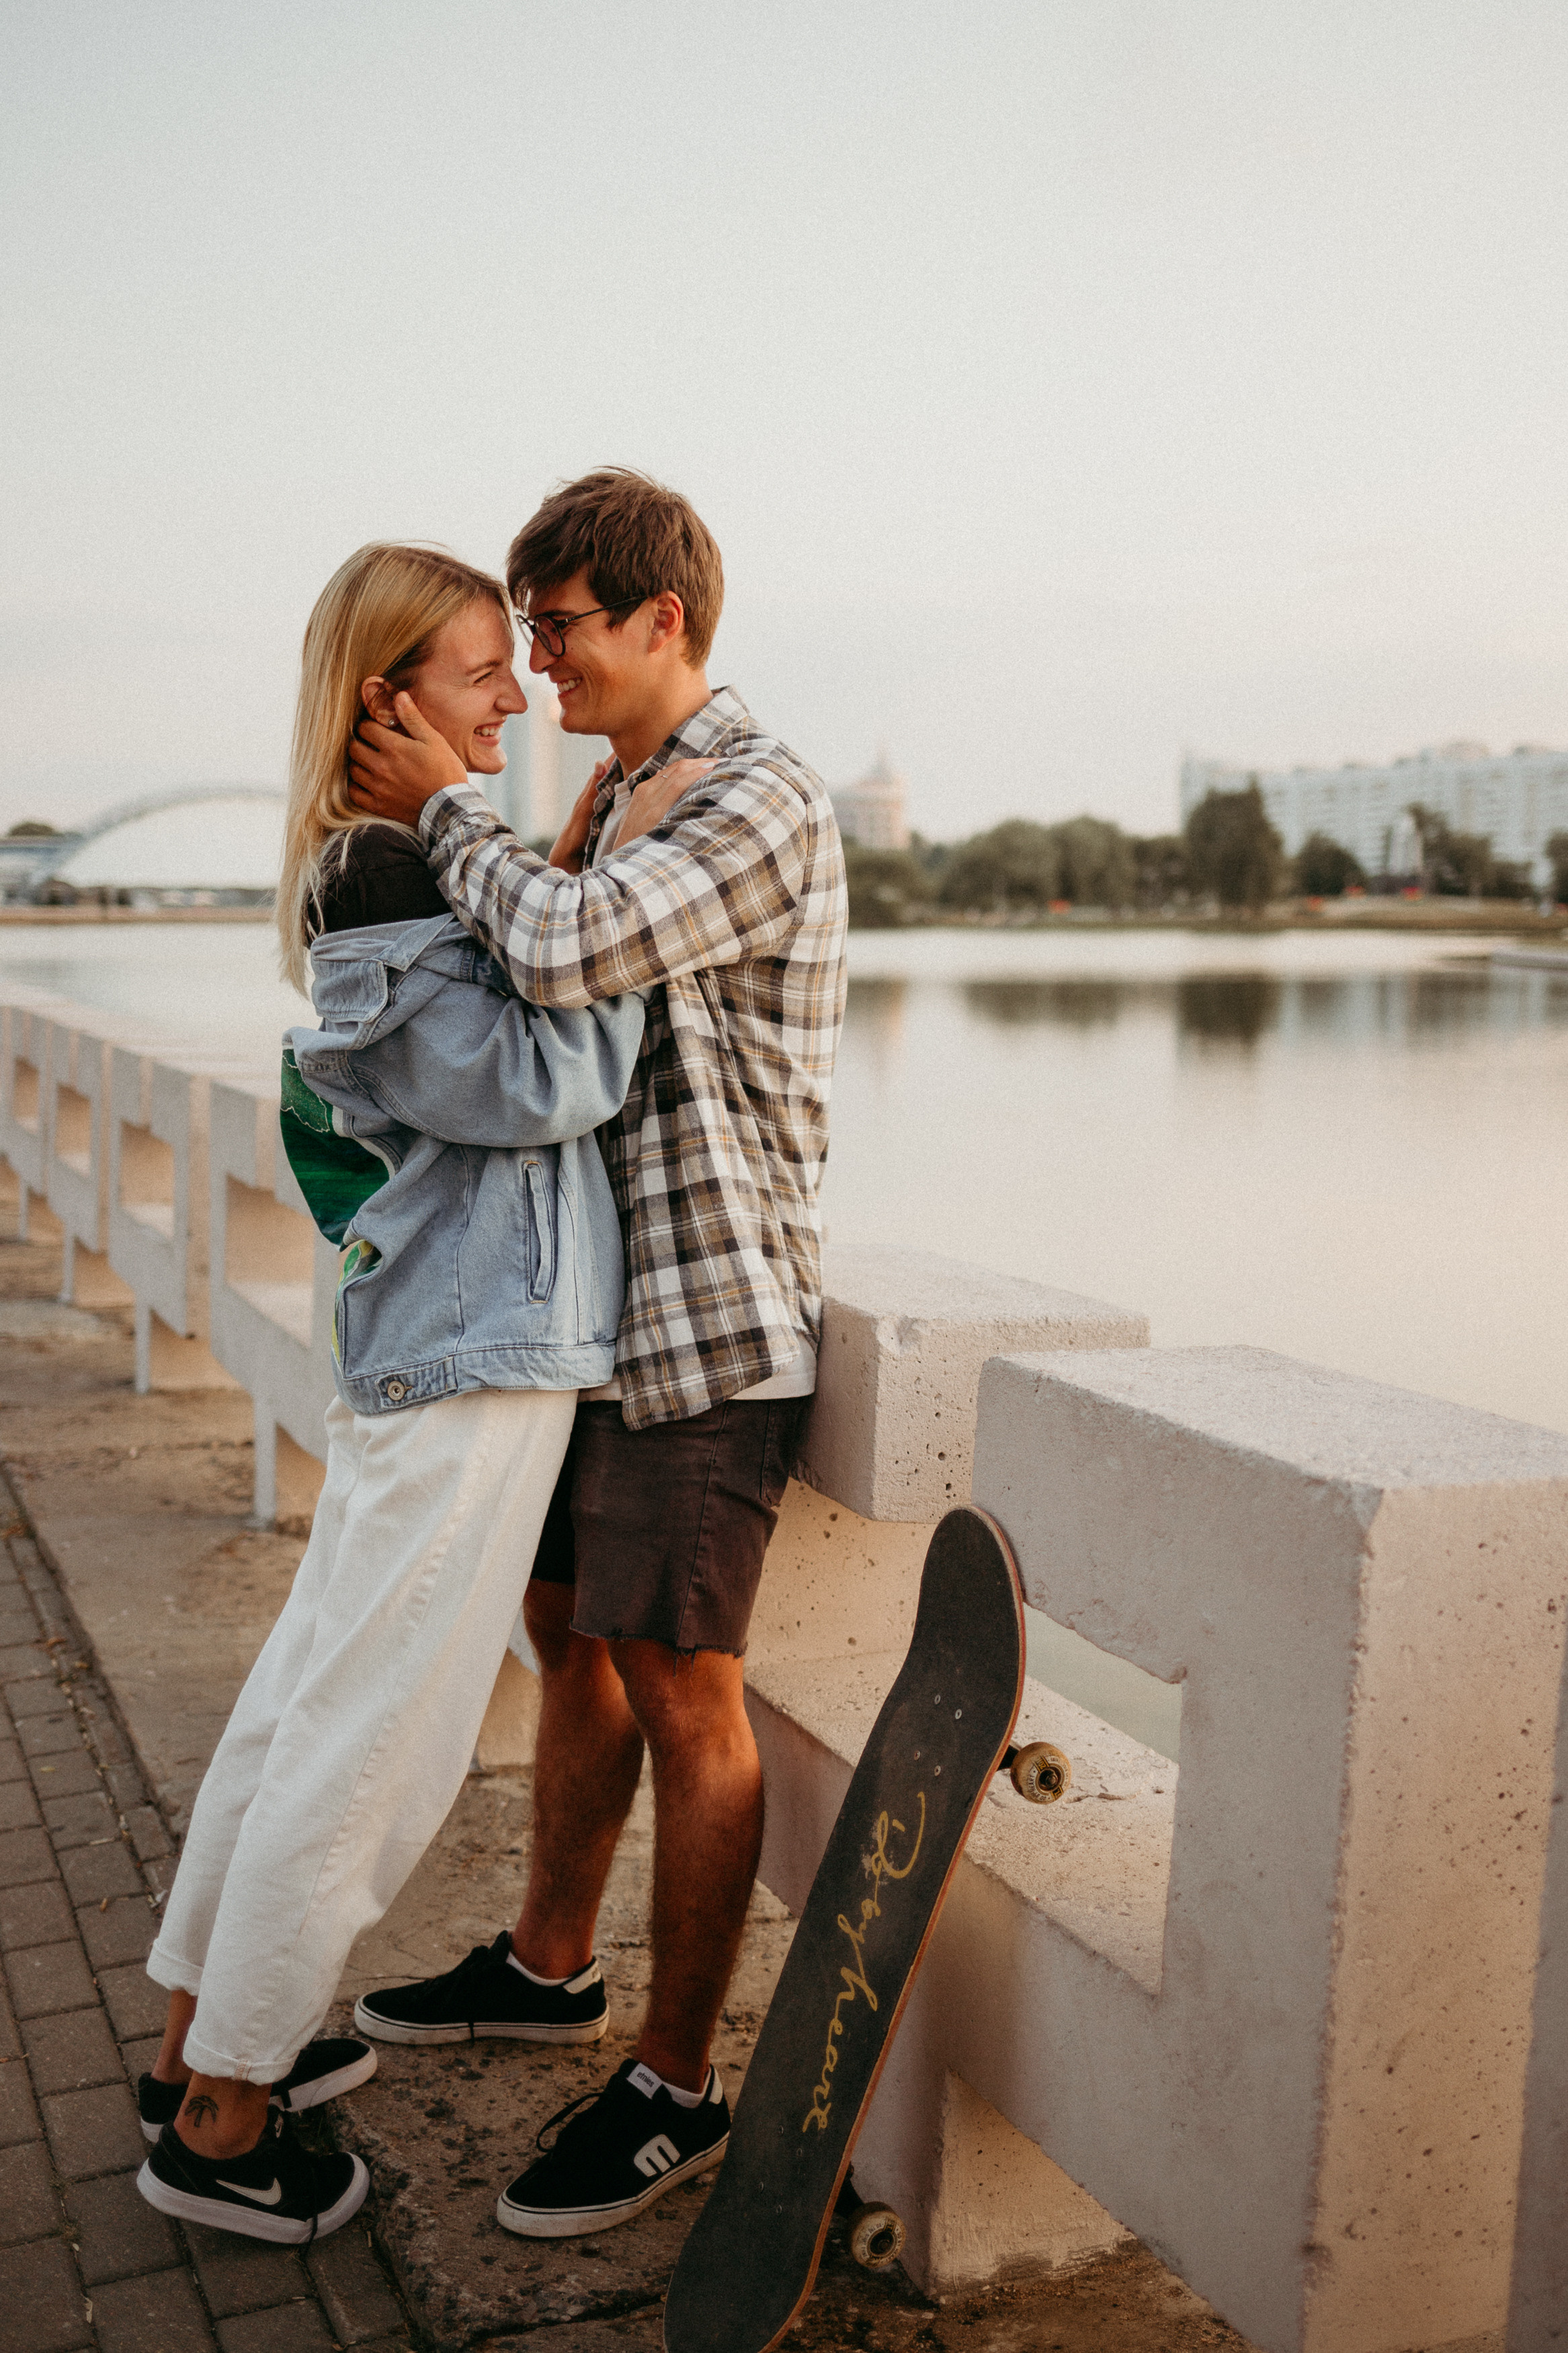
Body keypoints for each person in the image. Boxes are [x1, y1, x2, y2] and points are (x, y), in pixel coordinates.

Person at [136, 543, 690, 2244]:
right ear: (387, 701)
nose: (513, 694)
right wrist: (608, 946)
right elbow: (547, 1086)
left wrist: (531, 878)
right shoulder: (392, 865)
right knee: (375, 1737)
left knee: (313, 1702)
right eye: (475, 674)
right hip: (474, 1351)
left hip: (437, 1341)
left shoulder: (384, 862)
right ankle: (225, 2122)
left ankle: (198, 2054)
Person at [346, 470, 848, 2240]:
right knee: (568, 1635)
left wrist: (446, 810)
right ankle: (549, 1961)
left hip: (704, 1328)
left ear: (660, 623)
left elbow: (563, 956)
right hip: (587, 1318)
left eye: (555, 627)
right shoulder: (616, 791)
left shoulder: (760, 797)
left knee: (680, 1684)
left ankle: (674, 2083)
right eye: (527, 631)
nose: (536, 661)